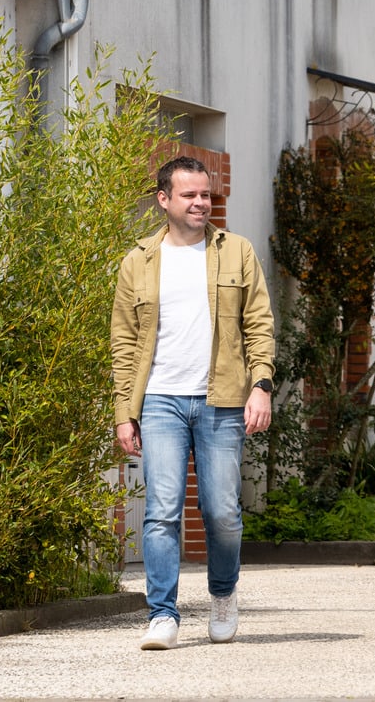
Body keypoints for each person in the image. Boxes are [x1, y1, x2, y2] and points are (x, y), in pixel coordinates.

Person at [110, 155, 276, 650]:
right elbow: (122, 343)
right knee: (161, 511)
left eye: (206, 194)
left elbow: (260, 325)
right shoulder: (137, 261)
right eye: (190, 195)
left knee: (222, 511)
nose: (202, 202)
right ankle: (163, 614)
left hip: (222, 399)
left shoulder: (237, 252)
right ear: (164, 199)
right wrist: (124, 412)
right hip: (159, 398)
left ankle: (223, 595)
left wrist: (261, 385)